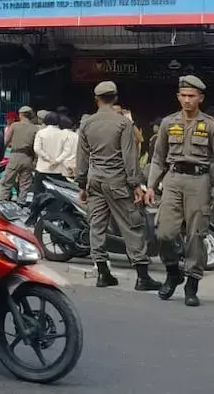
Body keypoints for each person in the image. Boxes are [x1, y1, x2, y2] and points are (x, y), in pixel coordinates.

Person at [146, 75, 214, 306]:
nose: (187, 100)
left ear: (200, 98)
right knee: (164, 233)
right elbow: (158, 158)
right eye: (183, 95)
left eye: (191, 96)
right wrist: (151, 186)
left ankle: (192, 283)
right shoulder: (168, 123)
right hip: (173, 180)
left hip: (199, 181)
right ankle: (173, 272)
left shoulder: (211, 126)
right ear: (178, 97)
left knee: (196, 235)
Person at [77, 81, 160, 290]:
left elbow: (82, 158)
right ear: (114, 98)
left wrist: (82, 184)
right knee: (132, 226)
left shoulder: (86, 123)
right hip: (117, 182)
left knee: (97, 226)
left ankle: (103, 273)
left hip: (94, 181)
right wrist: (135, 184)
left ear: (96, 99)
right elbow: (129, 156)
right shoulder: (123, 123)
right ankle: (142, 277)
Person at [0, 106, 37, 203]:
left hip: (15, 156)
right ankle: (21, 203)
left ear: (20, 115)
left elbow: (5, 142)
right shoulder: (35, 128)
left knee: (6, 181)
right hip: (28, 158)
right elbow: (36, 147)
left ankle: (2, 201)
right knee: (24, 184)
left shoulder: (14, 126)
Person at [34, 112, 77, 179]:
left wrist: (48, 159)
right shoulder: (63, 134)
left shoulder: (41, 132)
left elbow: (37, 149)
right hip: (57, 170)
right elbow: (67, 151)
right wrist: (56, 161)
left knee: (39, 189)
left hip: (42, 168)